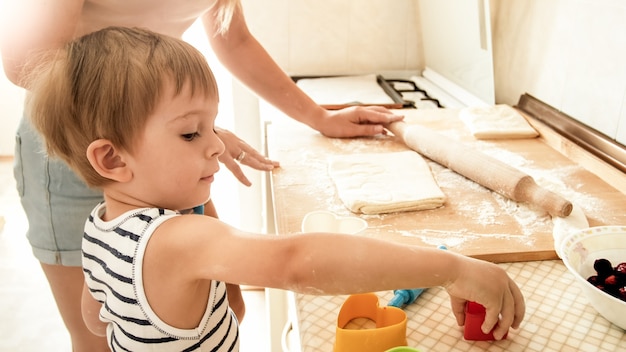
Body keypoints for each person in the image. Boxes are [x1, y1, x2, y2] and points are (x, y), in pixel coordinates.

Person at [26, 26, 524, 351]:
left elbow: (97, 318)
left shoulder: (101, 227)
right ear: (112, 158)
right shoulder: (173, 242)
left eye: (213, 126)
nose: (217, 146)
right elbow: (295, 261)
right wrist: (451, 267)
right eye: (189, 133)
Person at [0, 1, 403, 350]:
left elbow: (234, 38)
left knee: (227, 303)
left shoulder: (112, 227)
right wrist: (174, 130)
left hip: (155, 137)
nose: (215, 146)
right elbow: (25, 61)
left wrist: (188, 132)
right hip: (87, 135)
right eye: (197, 133)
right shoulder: (124, 198)